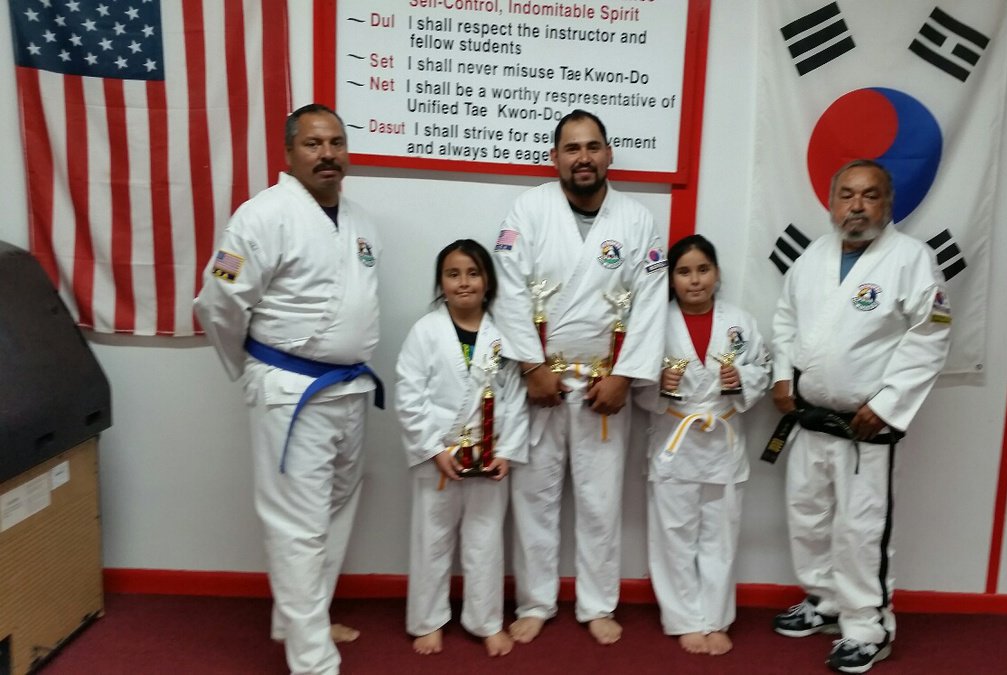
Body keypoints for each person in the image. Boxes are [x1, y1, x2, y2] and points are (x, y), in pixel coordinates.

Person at [195, 103, 382, 675]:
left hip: (348, 388)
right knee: (297, 528)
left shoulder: (360, 220)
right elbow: (217, 301)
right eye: (313, 143)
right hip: (290, 391)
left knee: (334, 511)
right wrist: (256, 367)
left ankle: (305, 620)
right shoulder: (260, 216)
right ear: (289, 153)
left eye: (336, 143)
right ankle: (313, 662)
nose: (327, 154)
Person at [490, 109, 668, 645]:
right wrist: (531, 366)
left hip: (602, 386)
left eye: (592, 147)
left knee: (600, 500)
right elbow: (508, 288)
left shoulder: (636, 220)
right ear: (555, 157)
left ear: (609, 154)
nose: (583, 158)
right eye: (572, 148)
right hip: (539, 383)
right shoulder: (529, 209)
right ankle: (535, 601)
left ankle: (597, 604)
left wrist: (626, 376)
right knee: (534, 498)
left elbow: (651, 302)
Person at [769, 159, 951, 673]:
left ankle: (868, 625)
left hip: (865, 426)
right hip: (810, 418)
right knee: (807, 515)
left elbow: (931, 336)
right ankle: (824, 600)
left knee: (860, 530)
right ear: (831, 203)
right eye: (846, 195)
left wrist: (887, 404)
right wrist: (782, 376)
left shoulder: (912, 260)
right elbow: (785, 320)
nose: (856, 206)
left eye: (870, 196)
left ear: (888, 204)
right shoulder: (813, 256)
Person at [633, 235, 770, 656]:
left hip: (723, 437)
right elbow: (634, 383)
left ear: (717, 273)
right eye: (684, 272)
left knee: (720, 535)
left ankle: (715, 619)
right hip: (675, 439)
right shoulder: (654, 322)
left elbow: (763, 368)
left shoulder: (739, 322)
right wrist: (660, 384)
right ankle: (684, 620)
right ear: (671, 279)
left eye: (703, 270)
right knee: (673, 535)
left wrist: (741, 380)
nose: (695, 280)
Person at [394, 239, 529, 658]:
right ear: (441, 283)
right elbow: (409, 394)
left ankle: (486, 620)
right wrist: (433, 449)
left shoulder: (503, 335)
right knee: (431, 539)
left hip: (488, 456)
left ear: (488, 282)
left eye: (473, 273)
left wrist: (507, 451)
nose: (464, 282)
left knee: (485, 541)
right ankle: (428, 620)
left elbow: (516, 398)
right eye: (453, 274)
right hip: (439, 456)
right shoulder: (425, 331)